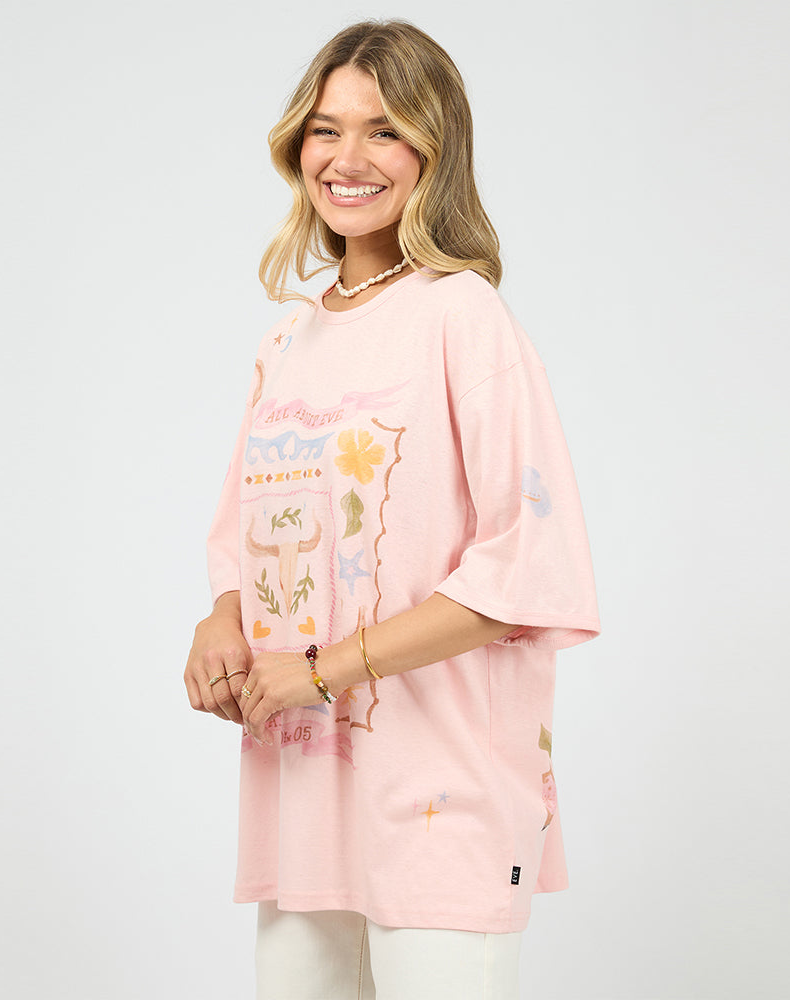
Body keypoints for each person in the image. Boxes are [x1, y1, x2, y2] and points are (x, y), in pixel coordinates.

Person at [184, 19, 600, 1000]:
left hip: (439, 789)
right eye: (326, 130)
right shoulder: (286, 343)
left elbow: (523, 568)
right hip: (304, 787)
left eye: (384, 131)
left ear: (433, 150)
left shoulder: (462, 315)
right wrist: (221, 620)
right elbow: (242, 539)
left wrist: (320, 670)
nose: (348, 158)